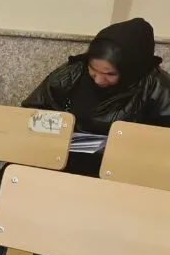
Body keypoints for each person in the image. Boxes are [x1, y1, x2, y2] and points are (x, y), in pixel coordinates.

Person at [23, 17, 170, 176]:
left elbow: (162, 142)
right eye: (93, 69)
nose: (98, 80)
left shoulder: (157, 85)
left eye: (110, 74)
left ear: (131, 69)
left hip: (120, 168)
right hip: (62, 157)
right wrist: (60, 131)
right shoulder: (74, 71)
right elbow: (32, 112)